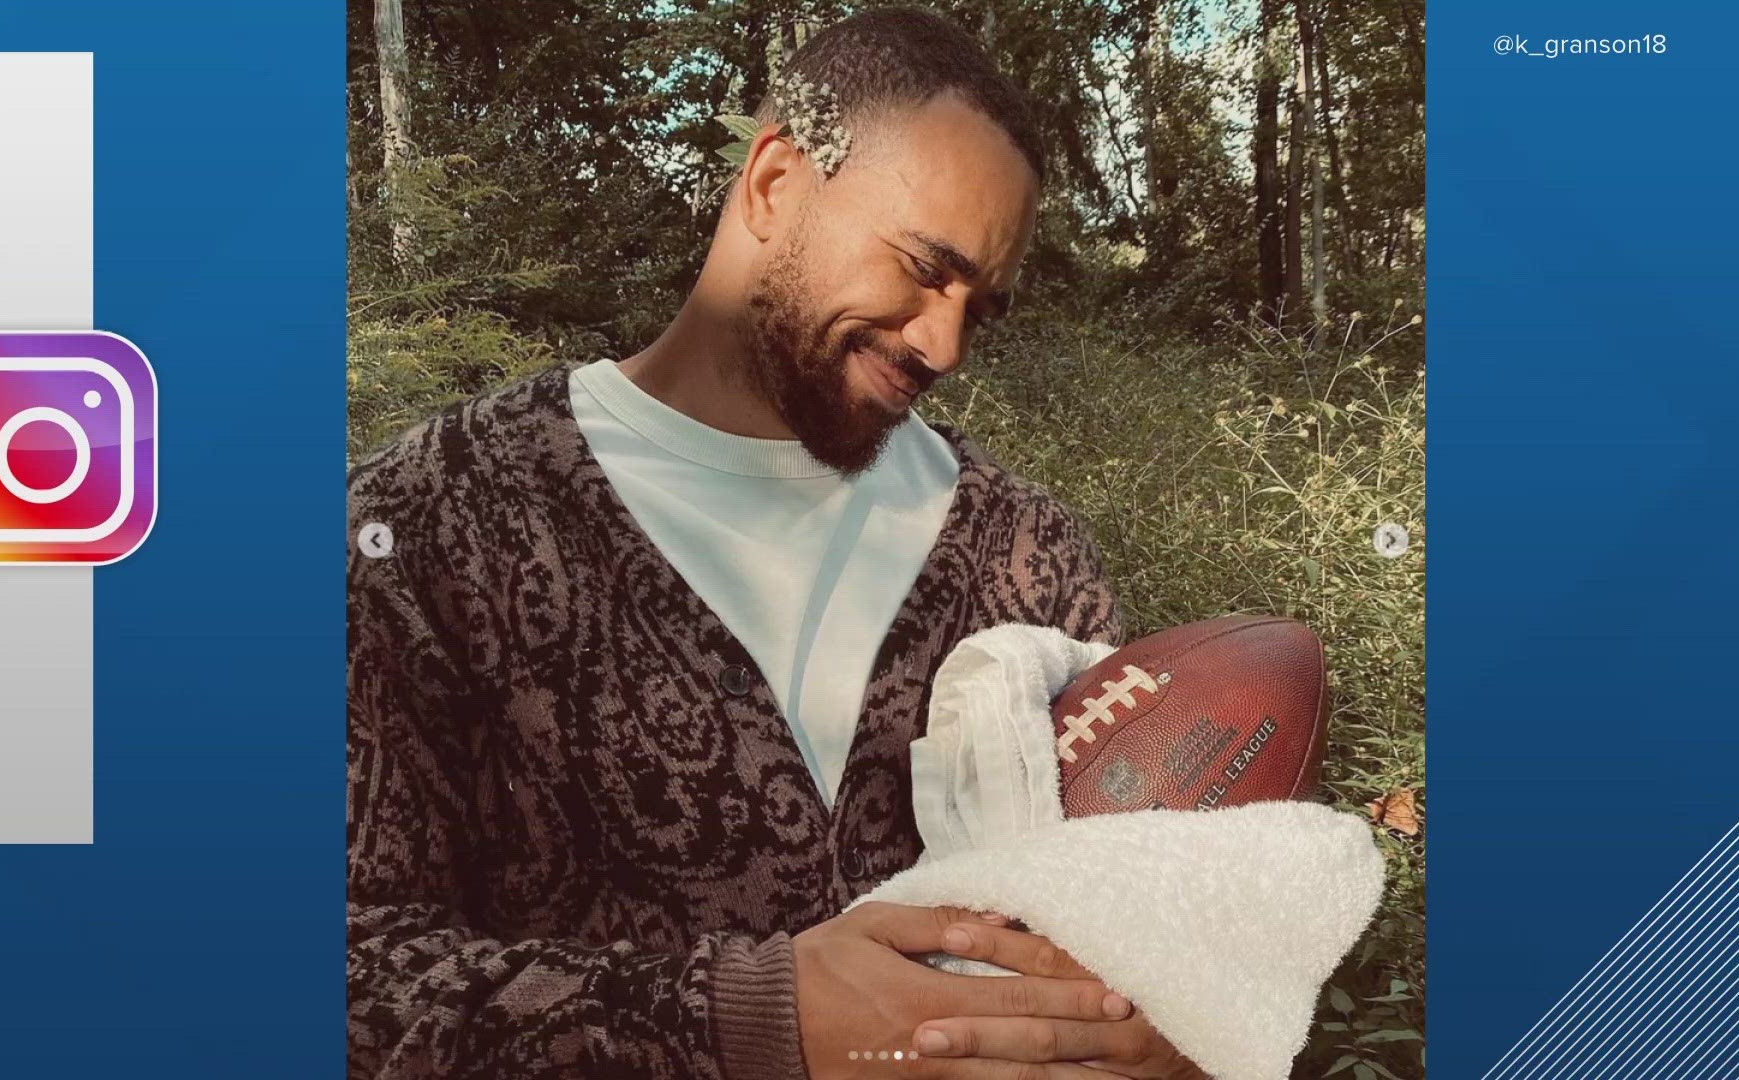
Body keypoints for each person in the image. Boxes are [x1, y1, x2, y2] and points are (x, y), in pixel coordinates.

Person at [346, 8, 1205, 1079]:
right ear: (773, 185)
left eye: (979, 309)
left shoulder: (1024, 556)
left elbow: (1122, 921)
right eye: (922, 267)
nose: (943, 342)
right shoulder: (431, 525)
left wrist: (1174, 1023)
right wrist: (748, 1019)